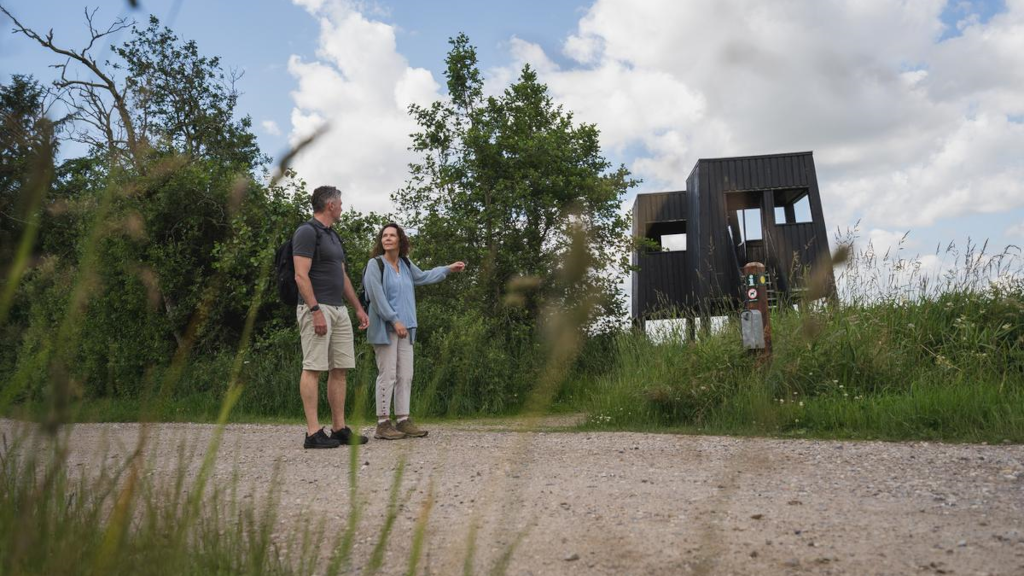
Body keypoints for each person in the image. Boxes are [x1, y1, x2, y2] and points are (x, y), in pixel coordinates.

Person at [362, 223, 465, 440]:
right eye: (384, 235)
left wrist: (447, 269)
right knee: (387, 374)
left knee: (405, 375)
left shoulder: (405, 264)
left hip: (407, 328)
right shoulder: (375, 264)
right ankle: (382, 424)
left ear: (400, 240)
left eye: (392, 235)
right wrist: (394, 320)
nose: (387, 238)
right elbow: (376, 296)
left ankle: (403, 421)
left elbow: (424, 277)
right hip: (386, 328)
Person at [292, 185, 370, 449]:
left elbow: (342, 276)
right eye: (340, 202)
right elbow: (300, 275)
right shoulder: (307, 232)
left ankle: (338, 428)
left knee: (340, 369)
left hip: (338, 309)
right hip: (317, 308)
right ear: (330, 205)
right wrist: (314, 310)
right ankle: (313, 433)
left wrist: (358, 308)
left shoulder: (334, 236)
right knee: (313, 367)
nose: (342, 207)